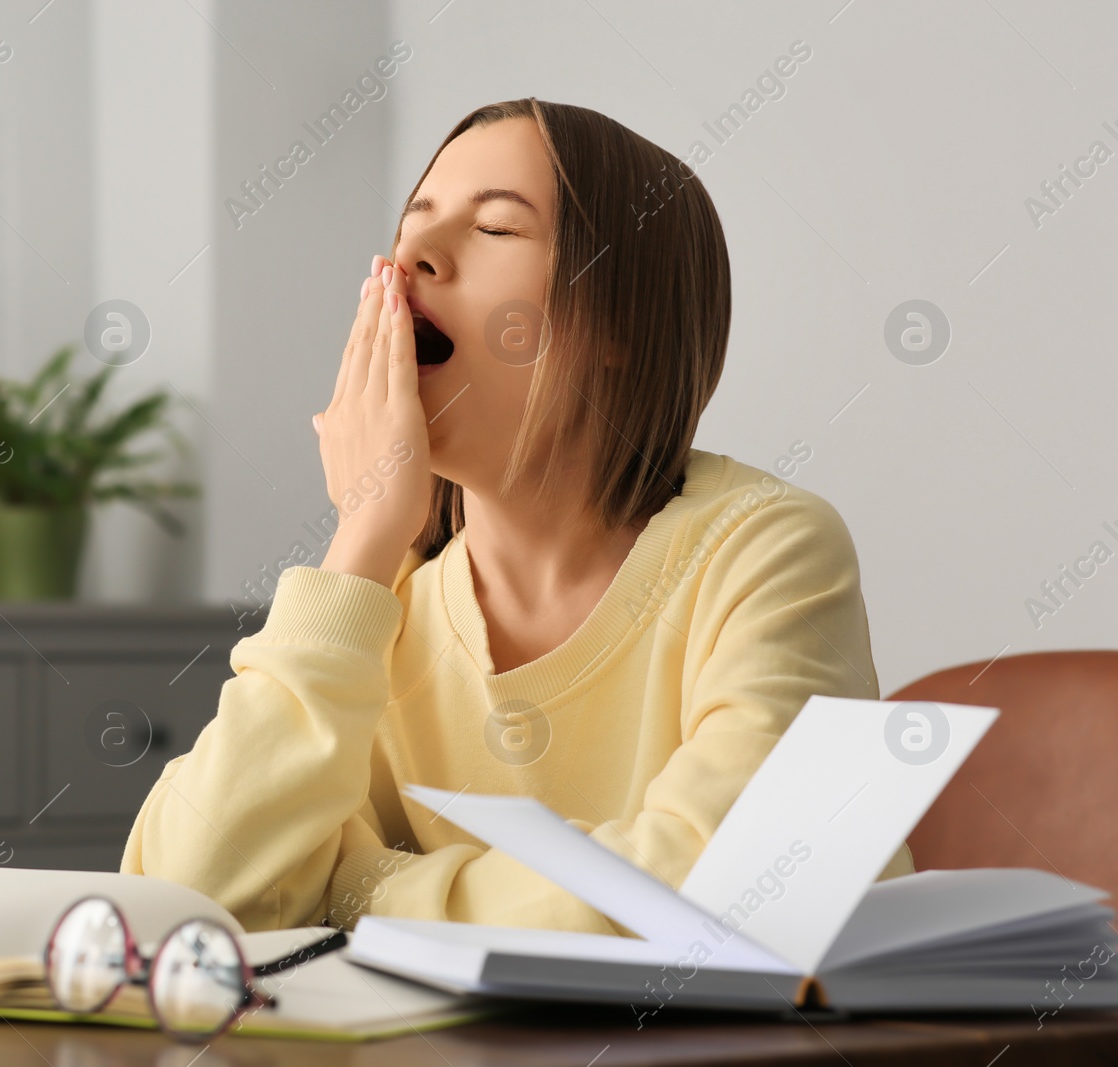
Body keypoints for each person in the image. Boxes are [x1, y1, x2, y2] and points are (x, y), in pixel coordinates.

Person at [120, 97, 913, 934]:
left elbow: (731, 887)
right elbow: (185, 900)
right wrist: (359, 538)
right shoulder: (377, 603)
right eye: (414, 222)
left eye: (495, 229)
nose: (414, 253)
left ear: (620, 324)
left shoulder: (766, 549)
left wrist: (355, 894)